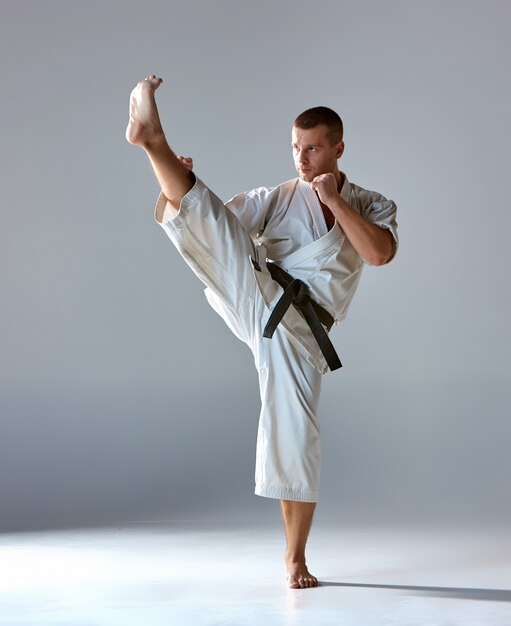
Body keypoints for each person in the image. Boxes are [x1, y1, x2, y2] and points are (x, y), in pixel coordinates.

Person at [126, 75, 398, 589]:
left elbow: (379, 254)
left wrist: (335, 201)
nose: (303, 158)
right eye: (296, 147)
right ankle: (152, 142)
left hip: (302, 332)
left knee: (296, 433)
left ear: (338, 148)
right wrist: (182, 182)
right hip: (257, 296)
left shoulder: (369, 203)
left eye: (314, 148)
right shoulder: (276, 197)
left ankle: (294, 558)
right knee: (209, 220)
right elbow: (217, 227)